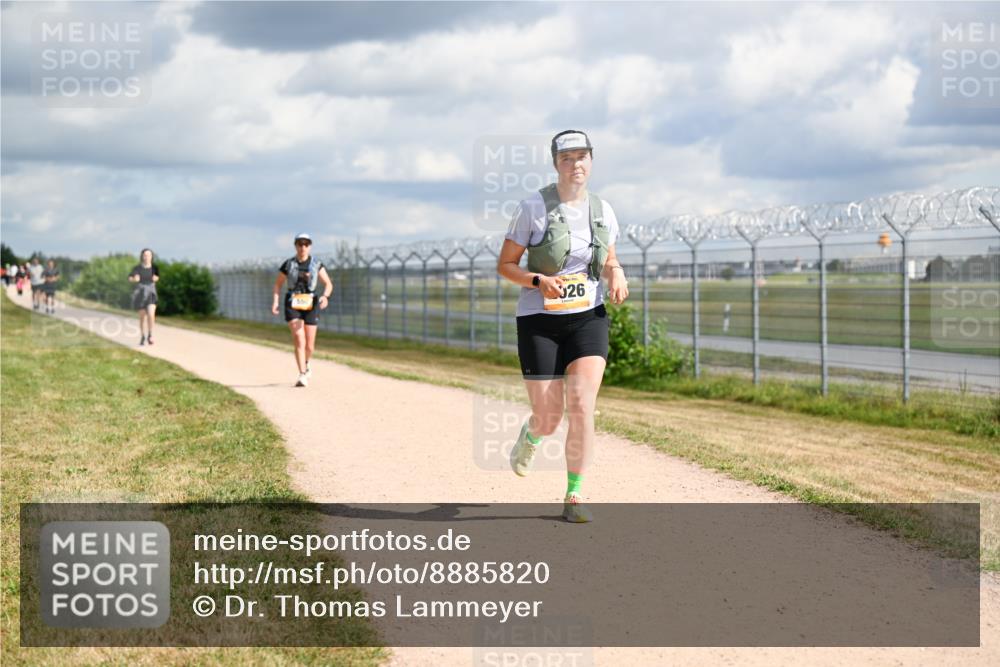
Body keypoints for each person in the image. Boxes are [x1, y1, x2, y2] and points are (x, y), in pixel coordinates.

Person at [497, 130, 629, 523]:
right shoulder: (532, 208)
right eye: (567, 158)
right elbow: (506, 266)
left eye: (582, 157)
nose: (576, 165)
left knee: (583, 406)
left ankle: (574, 495)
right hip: (539, 320)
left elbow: (608, 256)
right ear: (556, 163)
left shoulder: (603, 210)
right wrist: (537, 281)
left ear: (592, 160)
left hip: (589, 317)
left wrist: (616, 272)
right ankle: (533, 435)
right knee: (550, 415)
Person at [271, 233, 333, 387]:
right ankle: (302, 374)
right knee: (299, 338)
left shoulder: (316, 264)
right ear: (295, 246)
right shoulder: (288, 264)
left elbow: (328, 284)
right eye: (299, 244)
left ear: (310, 246)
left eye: (306, 244)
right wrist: (276, 301)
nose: (302, 247)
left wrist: (325, 297)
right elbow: (278, 284)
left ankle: (306, 362)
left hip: (311, 303)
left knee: (310, 346)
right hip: (293, 303)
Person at [128, 248, 159, 346]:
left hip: (151, 292)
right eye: (145, 255)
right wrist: (134, 279)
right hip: (140, 293)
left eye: (148, 255)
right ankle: (142, 336)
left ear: (151, 256)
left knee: (151, 313)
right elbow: (130, 278)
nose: (146, 257)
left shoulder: (154, 268)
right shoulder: (137, 268)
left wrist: (156, 278)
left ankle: (150, 334)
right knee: (142, 317)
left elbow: (157, 277)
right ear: (142, 256)